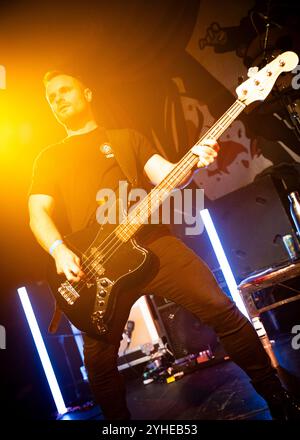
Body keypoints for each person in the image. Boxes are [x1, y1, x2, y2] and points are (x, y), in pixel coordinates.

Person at [28, 70, 300, 420]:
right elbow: (37, 212)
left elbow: (168, 175)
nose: (58, 99)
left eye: (64, 90)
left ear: (88, 92)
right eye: (51, 97)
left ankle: (279, 400)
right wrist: (58, 249)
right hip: (96, 264)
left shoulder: (126, 138)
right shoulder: (48, 157)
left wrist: (195, 159)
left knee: (222, 309)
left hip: (153, 244)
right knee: (97, 361)